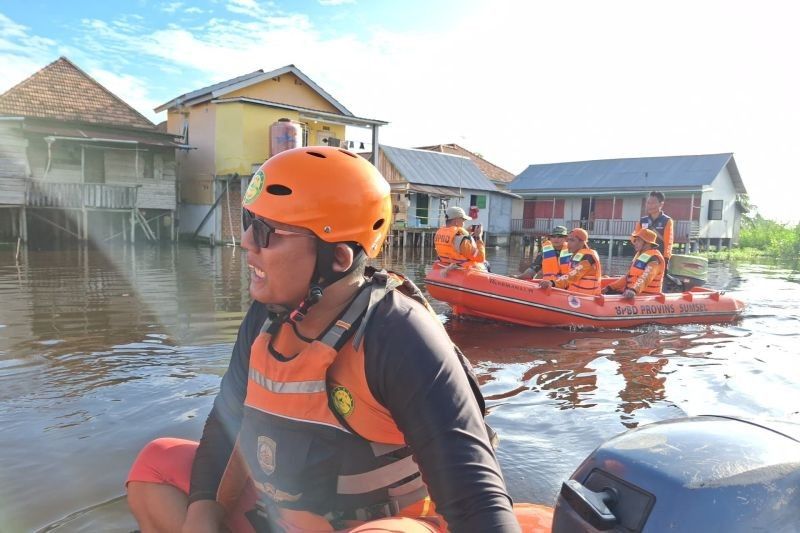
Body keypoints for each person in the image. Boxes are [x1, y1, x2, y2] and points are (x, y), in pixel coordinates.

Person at [125, 147, 523, 533]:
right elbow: (226, 419)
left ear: (338, 259)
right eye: (249, 221)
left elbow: (478, 502)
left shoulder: (400, 337)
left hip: (381, 522)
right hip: (287, 513)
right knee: (155, 464)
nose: (246, 241)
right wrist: (203, 511)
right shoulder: (266, 316)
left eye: (267, 232)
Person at [603, 228, 665, 299]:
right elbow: (628, 277)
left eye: (638, 240)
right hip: (633, 294)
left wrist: (634, 290)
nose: (635, 243)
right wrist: (609, 288)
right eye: (635, 240)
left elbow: (646, 277)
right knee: (609, 292)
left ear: (647, 243)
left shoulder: (654, 259)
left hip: (645, 298)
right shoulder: (640, 256)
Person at [538, 228, 602, 295]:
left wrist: (553, 283)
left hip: (587, 297)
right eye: (568, 240)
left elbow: (574, 275)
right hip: (573, 294)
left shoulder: (588, 257)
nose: (568, 244)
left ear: (582, 242)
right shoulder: (576, 255)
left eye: (572, 240)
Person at [433, 206, 487, 271]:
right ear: (456, 221)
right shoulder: (461, 239)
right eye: (463, 221)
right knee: (486, 264)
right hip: (463, 269)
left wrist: (466, 234)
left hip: (447, 264)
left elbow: (454, 243)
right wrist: (479, 237)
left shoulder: (439, 233)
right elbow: (480, 258)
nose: (464, 224)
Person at [635, 191, 673, 262]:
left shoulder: (667, 221)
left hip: (658, 257)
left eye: (653, 203)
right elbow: (634, 238)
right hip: (643, 257)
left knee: (655, 271)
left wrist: (666, 258)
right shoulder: (642, 220)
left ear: (661, 204)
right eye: (648, 203)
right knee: (638, 272)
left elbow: (668, 243)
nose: (649, 205)